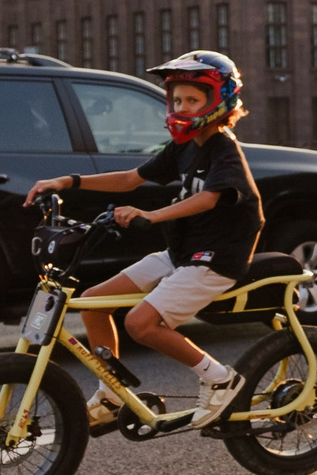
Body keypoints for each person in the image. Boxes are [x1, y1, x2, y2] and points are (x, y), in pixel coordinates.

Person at [22, 51, 260, 433]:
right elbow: (131, 178)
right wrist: (68, 182)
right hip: (182, 251)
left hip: (215, 258)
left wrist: (152, 215)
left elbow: (211, 197)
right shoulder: (184, 147)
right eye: (177, 100)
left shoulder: (223, 149)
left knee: (141, 323)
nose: (182, 107)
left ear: (219, 102)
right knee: (95, 303)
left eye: (193, 100)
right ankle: (112, 395)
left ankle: (219, 378)